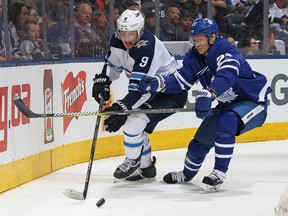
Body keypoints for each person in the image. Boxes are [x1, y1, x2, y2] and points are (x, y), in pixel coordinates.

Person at [139, 18, 272, 192]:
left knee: (227, 121)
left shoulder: (224, 49)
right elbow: (180, 81)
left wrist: (210, 93)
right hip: (227, 104)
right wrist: (159, 83)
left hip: (253, 102)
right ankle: (186, 174)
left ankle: (219, 173)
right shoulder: (194, 57)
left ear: (213, 37)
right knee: (199, 142)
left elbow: (228, 73)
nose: (197, 43)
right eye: (194, 39)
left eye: (200, 39)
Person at [92, 9, 187, 181]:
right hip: (150, 91)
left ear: (140, 31)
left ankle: (133, 160)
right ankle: (147, 168)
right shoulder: (117, 39)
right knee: (134, 125)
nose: (127, 39)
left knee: (132, 124)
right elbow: (113, 65)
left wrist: (122, 108)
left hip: (170, 93)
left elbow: (141, 89)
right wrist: (104, 80)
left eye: (131, 34)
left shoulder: (147, 47)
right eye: (123, 33)